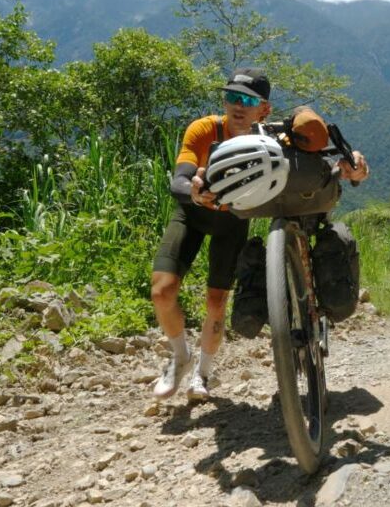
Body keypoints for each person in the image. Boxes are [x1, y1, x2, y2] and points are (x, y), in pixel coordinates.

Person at [150, 67, 369, 401]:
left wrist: (351, 164)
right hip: (191, 215)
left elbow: (315, 161)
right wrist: (193, 191)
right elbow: (179, 178)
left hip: (231, 221)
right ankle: (179, 358)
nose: (237, 105)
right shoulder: (205, 129)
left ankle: (202, 375)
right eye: (231, 97)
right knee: (162, 292)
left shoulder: (272, 138)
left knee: (216, 302)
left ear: (263, 109)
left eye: (247, 100)